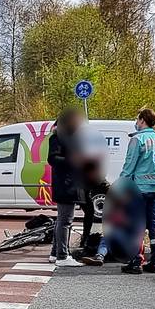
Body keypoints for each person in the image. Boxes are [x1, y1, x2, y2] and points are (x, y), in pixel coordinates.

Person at [82, 108, 155, 274]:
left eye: (137, 120)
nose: (136, 123)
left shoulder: (138, 140)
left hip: (141, 188)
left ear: (143, 120)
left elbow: (129, 166)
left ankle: (137, 261)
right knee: (153, 225)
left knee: (137, 226)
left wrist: (120, 186)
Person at [47, 108, 88, 267]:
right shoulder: (58, 138)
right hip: (65, 184)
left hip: (70, 183)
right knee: (65, 221)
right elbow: (53, 158)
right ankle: (62, 256)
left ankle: (55, 253)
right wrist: (73, 160)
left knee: (62, 220)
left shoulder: (70, 137)